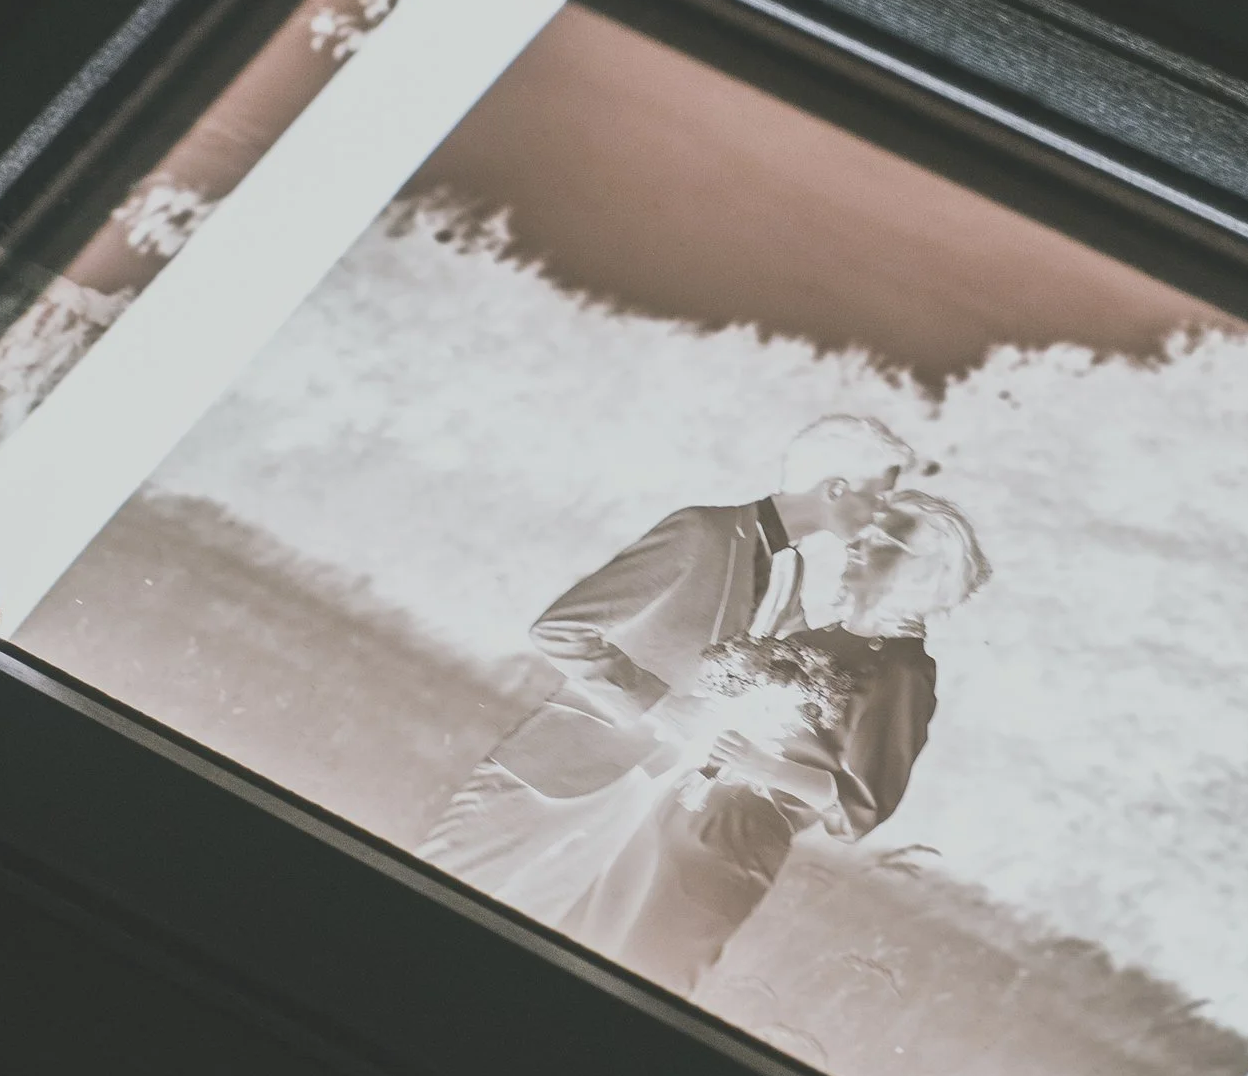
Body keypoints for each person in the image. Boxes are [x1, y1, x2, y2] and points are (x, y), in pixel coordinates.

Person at [418, 416, 915, 921]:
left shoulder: (789, 571)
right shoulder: (701, 531)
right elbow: (560, 630)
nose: (881, 515)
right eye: (879, 497)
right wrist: (660, 705)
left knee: (519, 928)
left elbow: (803, 668)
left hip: (639, 797)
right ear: (835, 489)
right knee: (426, 894)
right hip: (558, 767)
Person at [570, 490, 991, 995]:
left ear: (922, 570)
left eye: (882, 540)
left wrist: (762, 767)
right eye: (866, 532)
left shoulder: (903, 670)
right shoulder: (818, 637)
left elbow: (862, 807)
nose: (857, 544)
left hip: (736, 836)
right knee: (580, 951)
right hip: (674, 804)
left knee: (645, 981)